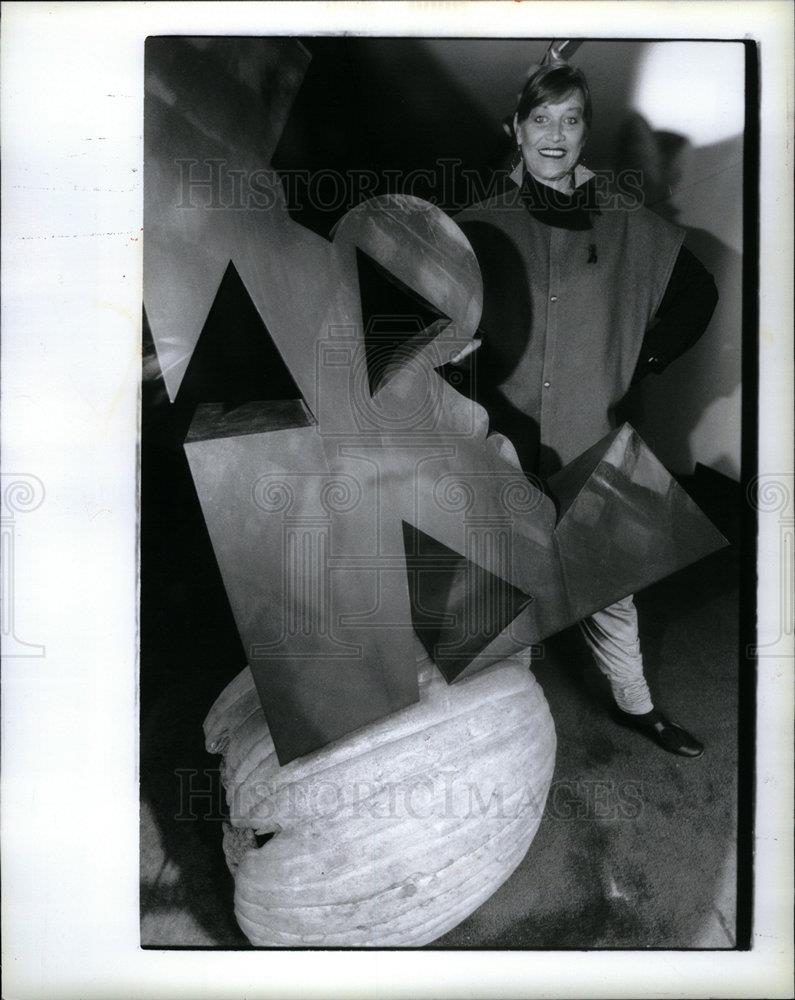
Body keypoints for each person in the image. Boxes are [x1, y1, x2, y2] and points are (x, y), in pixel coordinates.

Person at [453, 60, 719, 757]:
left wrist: (642, 358)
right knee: (491, 581)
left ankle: (638, 706)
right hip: (498, 433)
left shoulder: (627, 222)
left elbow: (696, 296)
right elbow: (427, 308)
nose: (553, 134)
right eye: (539, 118)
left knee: (609, 589)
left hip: (586, 434)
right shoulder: (477, 223)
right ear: (515, 130)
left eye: (570, 119)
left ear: (584, 132)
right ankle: (488, 728)